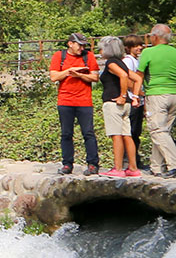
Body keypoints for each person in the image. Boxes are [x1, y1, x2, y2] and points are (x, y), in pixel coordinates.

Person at [137, 24, 176, 177]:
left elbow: (139, 75)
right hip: (175, 96)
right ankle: (156, 167)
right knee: (162, 132)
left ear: (155, 36)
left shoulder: (148, 52)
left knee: (157, 131)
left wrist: (136, 94)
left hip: (157, 95)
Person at [49, 32, 99, 175]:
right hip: (65, 100)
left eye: (83, 45)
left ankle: (93, 164)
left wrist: (80, 75)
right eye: (79, 45)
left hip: (84, 101)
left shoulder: (88, 56)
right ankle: (67, 164)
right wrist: (69, 71)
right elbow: (54, 77)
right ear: (70, 44)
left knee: (88, 133)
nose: (82, 48)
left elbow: (95, 77)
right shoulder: (59, 56)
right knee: (66, 133)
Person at [98, 36, 140, 176]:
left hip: (114, 103)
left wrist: (122, 95)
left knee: (116, 135)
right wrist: (134, 96)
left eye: (102, 48)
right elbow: (137, 79)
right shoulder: (121, 62)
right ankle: (133, 168)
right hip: (126, 104)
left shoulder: (111, 63)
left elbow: (123, 76)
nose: (100, 50)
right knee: (127, 135)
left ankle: (118, 168)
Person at [122, 35, 147, 172]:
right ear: (128, 48)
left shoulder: (137, 60)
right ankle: (129, 160)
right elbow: (128, 79)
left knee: (136, 131)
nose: (139, 48)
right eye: (135, 46)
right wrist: (138, 92)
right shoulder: (128, 61)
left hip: (139, 100)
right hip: (133, 99)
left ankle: (135, 159)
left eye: (140, 45)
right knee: (131, 131)